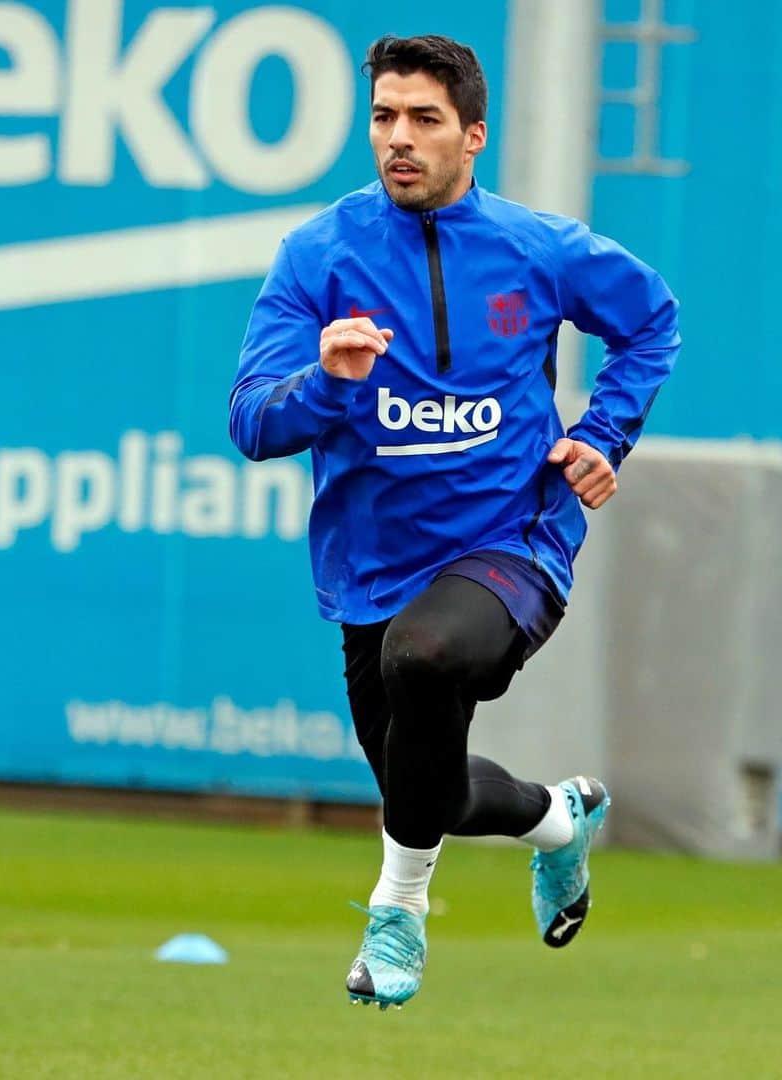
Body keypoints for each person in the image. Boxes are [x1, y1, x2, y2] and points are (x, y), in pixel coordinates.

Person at [230, 33, 680, 1010]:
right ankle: (560, 821)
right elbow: (253, 418)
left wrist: (604, 433)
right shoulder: (319, 256)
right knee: (421, 788)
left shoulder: (539, 249)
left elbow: (652, 320)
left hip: (513, 542)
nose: (400, 137)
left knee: (425, 660)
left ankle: (399, 914)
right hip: (373, 571)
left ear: (473, 135)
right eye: (384, 117)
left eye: (424, 119)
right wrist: (326, 380)